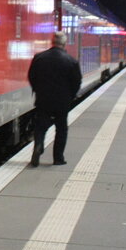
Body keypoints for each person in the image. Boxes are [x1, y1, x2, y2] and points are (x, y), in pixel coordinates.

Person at [27, 31, 82, 167]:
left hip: (43, 99)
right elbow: (76, 82)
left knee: (40, 127)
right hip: (62, 101)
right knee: (61, 129)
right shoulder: (71, 61)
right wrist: (70, 96)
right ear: (64, 43)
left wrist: (38, 90)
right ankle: (58, 158)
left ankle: (38, 146)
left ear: (52, 42)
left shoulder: (39, 58)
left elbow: (31, 76)